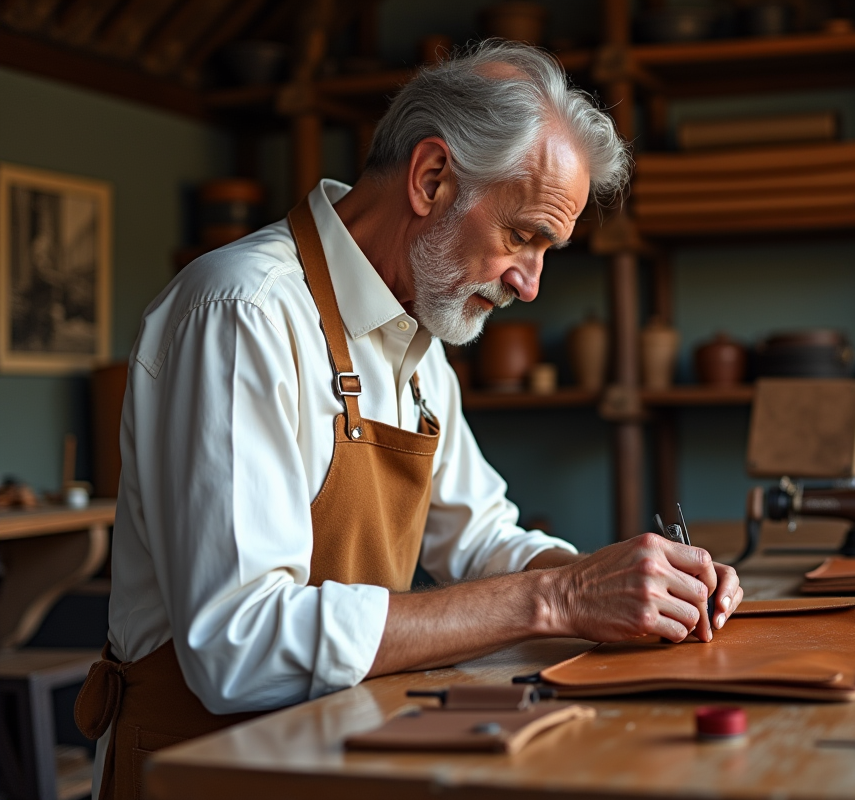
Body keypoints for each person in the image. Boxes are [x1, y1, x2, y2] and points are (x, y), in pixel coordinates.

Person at [76, 41, 743, 799]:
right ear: (431, 179)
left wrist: (628, 588)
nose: (530, 285)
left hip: (344, 757)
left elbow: (484, 539)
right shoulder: (242, 315)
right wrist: (558, 598)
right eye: (523, 236)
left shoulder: (419, 336)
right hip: (202, 772)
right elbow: (240, 647)